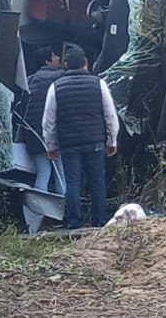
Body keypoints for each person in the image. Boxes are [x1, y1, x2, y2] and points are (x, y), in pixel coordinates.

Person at [42, 45, 120, 229]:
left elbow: (48, 120)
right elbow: (110, 115)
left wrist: (50, 146)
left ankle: (74, 222)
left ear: (67, 65)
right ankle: (99, 220)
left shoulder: (56, 87)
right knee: (97, 182)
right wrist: (112, 140)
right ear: (86, 63)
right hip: (95, 142)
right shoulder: (98, 84)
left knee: (72, 183)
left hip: (69, 144)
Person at [21, 46, 65, 193]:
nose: (58, 58)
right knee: (60, 173)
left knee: (43, 171)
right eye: (54, 56)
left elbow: (23, 107)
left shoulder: (30, 80)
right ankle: (62, 209)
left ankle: (39, 208)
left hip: (33, 133)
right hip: (54, 133)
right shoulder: (60, 78)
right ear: (47, 61)